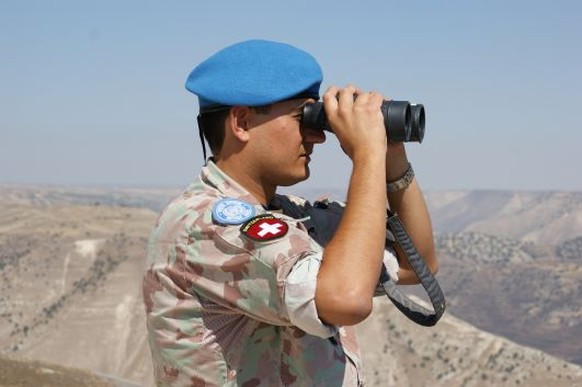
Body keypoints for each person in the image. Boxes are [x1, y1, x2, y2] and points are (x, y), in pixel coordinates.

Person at [142, 39, 438, 386]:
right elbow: (346, 300)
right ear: (241, 121)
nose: (318, 137)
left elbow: (415, 263)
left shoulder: (288, 215)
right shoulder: (206, 225)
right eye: (304, 118)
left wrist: (391, 156)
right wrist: (366, 154)